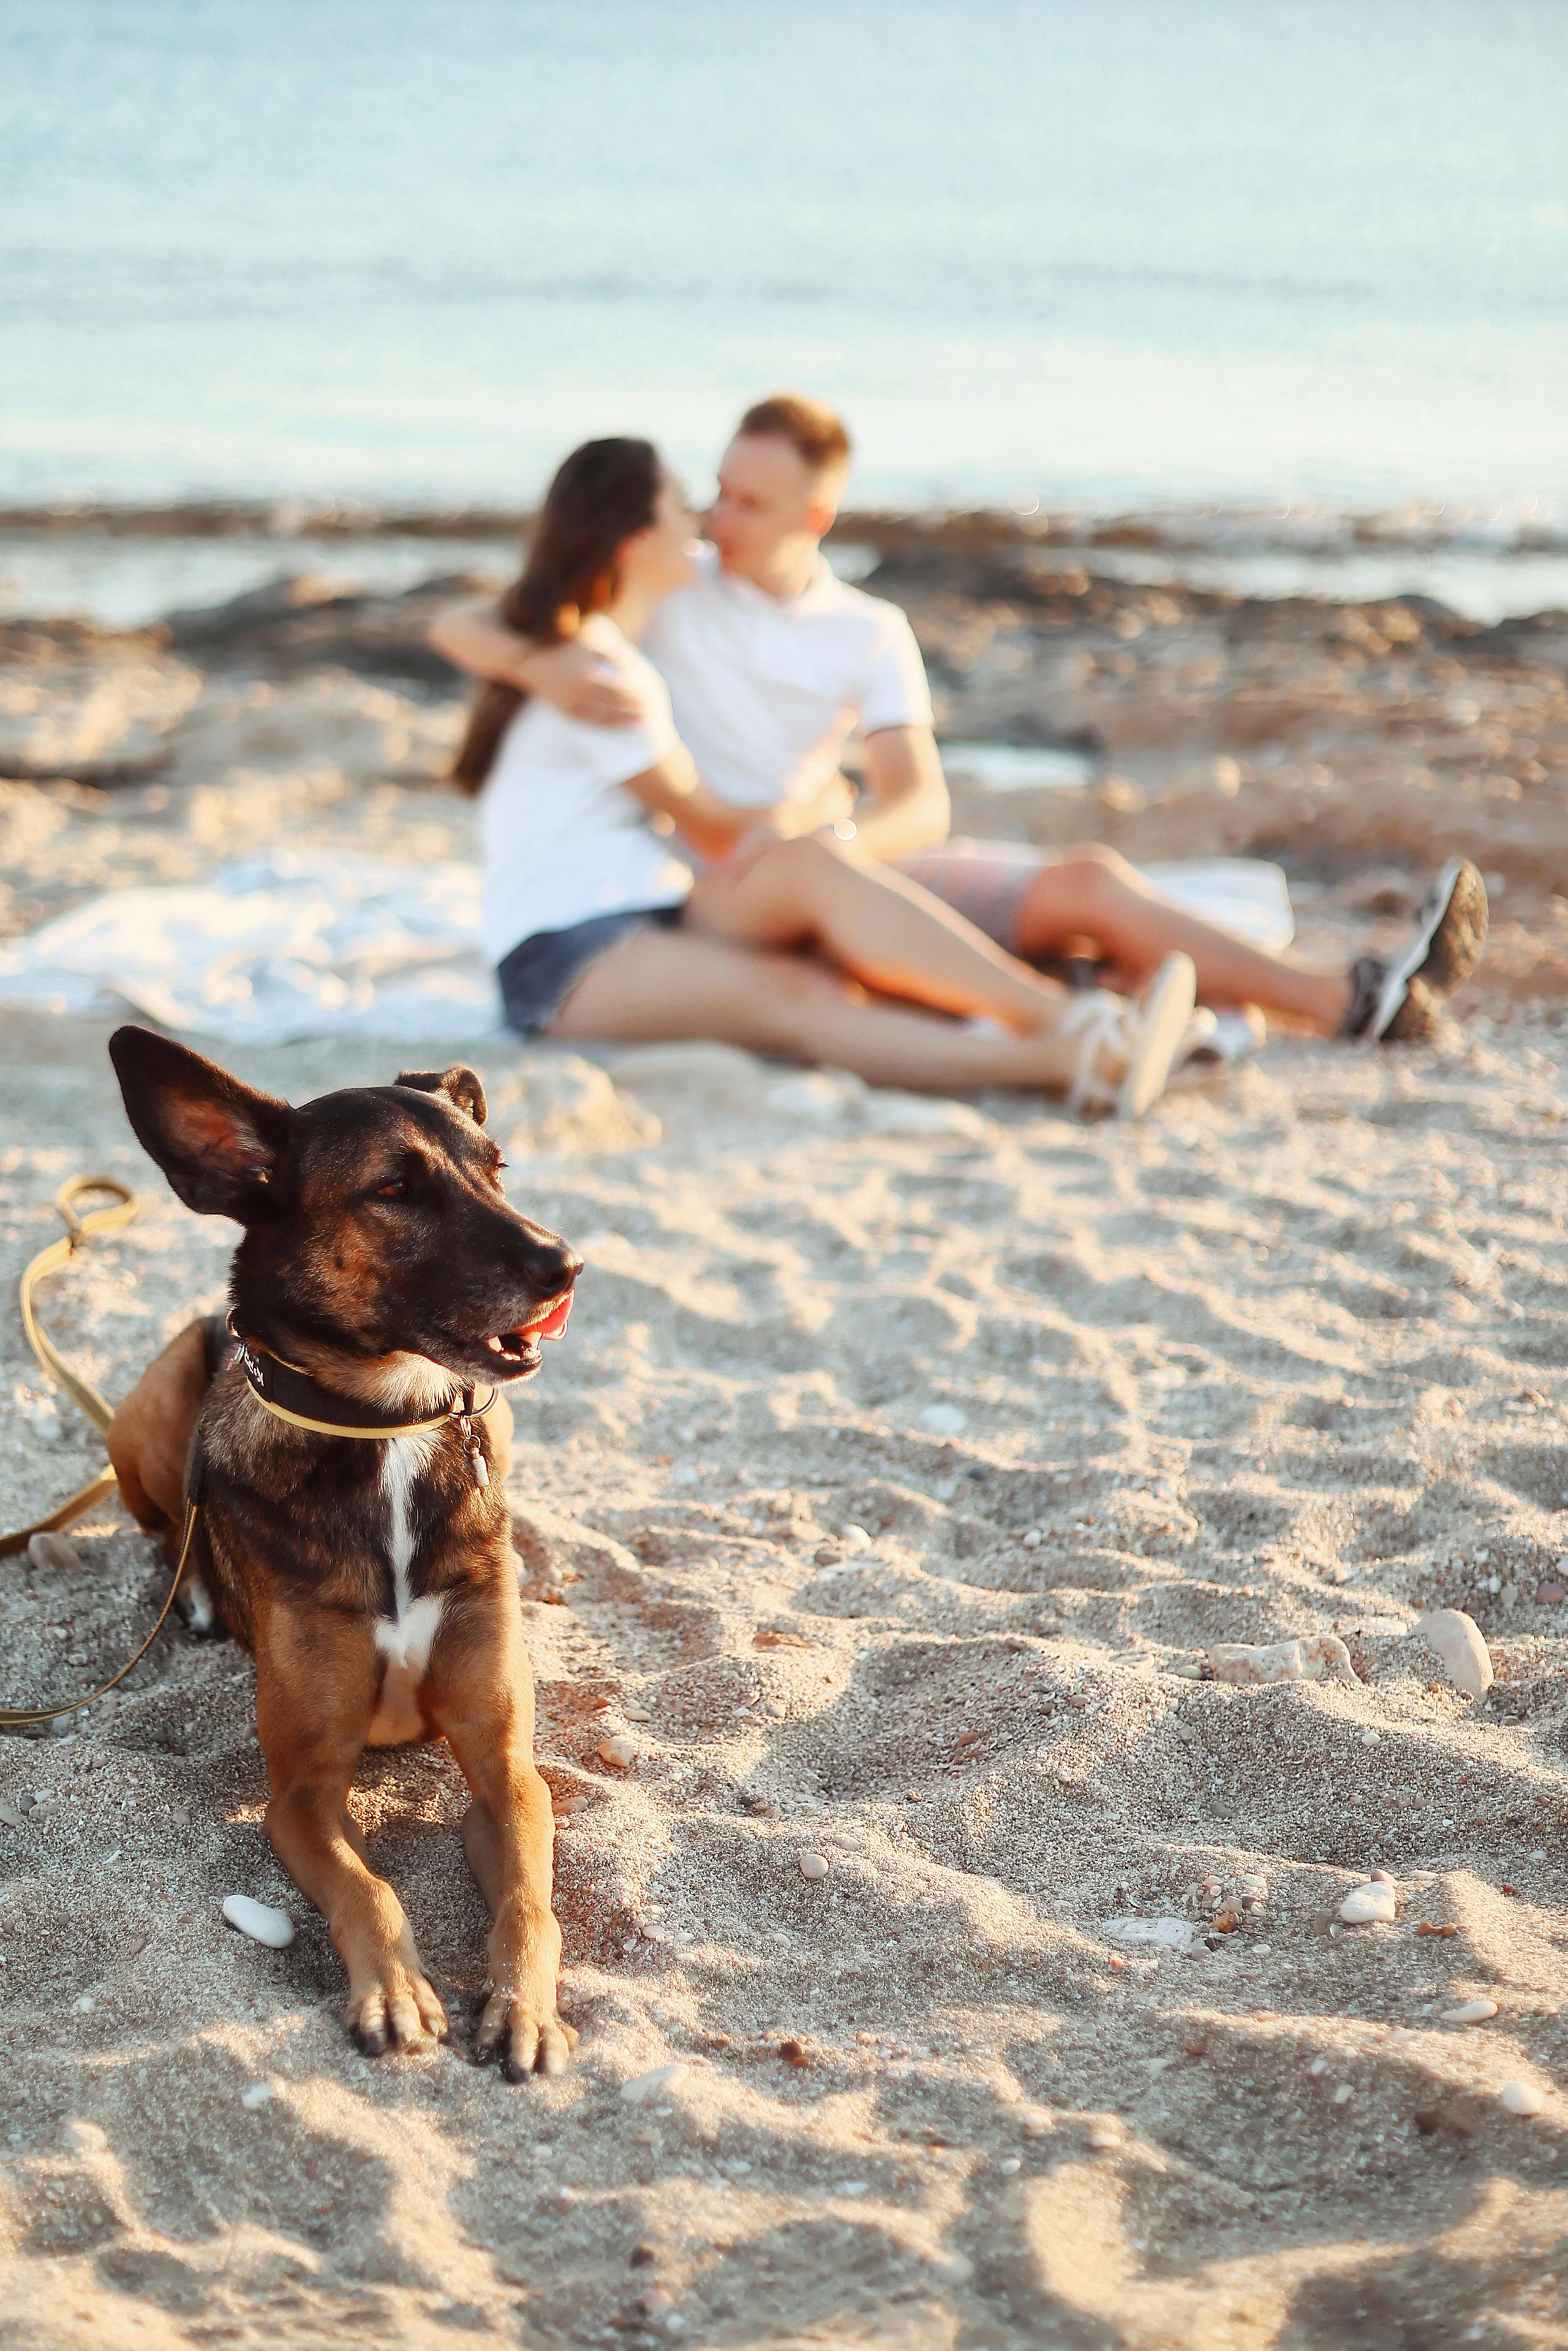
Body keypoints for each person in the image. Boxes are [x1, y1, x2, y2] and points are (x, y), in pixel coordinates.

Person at [432, 394, 1489, 1047]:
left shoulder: (869, 630)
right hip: (722, 884)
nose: (720, 520)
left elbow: (918, 801)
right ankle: (1087, 1009)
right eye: (716, 495)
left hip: (820, 853)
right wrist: (539, 664)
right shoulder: (677, 584)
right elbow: (469, 621)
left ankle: (1354, 997)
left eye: (750, 504)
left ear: (815, 516)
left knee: (1086, 882)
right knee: (867, 936)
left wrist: (836, 842)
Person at [441, 434, 1197, 1116]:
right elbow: (713, 825)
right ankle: (1073, 1050)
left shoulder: (593, 653)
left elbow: (478, 622)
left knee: (812, 886)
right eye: (681, 505)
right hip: (561, 953)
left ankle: (1068, 1017)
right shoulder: (602, 676)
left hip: (644, 911)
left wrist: (815, 822)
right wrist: (813, 803)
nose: (700, 521)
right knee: (796, 996)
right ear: (639, 540)